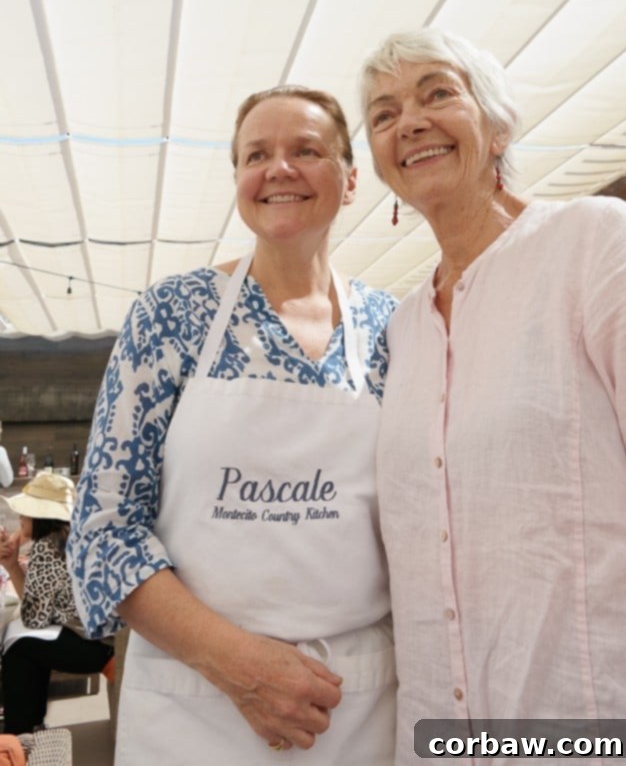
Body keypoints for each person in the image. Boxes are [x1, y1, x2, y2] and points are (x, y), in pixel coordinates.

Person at [67, 85, 398, 765]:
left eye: (306, 150)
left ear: (350, 177)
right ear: (240, 180)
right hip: (197, 700)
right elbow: (103, 530)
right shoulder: (173, 315)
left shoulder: (393, 327)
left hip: (359, 705)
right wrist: (239, 666)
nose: (278, 168)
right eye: (257, 154)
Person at [359, 28, 626, 763]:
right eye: (383, 114)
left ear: (497, 125)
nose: (409, 121)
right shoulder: (404, 328)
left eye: (437, 93)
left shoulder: (596, 245)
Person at [0, 472, 114, 734]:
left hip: (94, 646)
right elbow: (39, 608)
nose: (20, 519)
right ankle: (29, 729)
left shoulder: (46, 547)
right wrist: (12, 564)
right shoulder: (66, 539)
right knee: (25, 641)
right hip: (101, 639)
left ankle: (19, 734)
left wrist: (13, 564)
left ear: (38, 517)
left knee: (19, 646)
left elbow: (34, 618)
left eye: (24, 514)